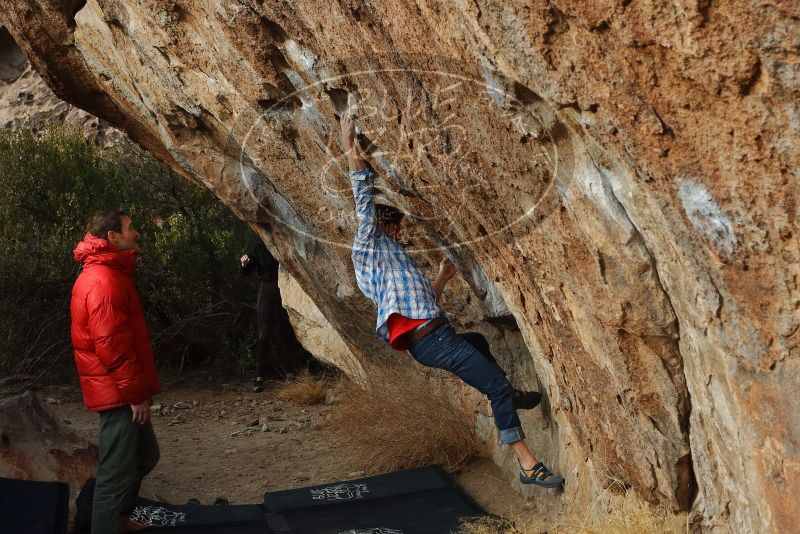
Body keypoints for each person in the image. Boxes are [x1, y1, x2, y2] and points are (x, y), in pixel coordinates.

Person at [340, 110, 564, 488]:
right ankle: (528, 465)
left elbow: (418, 305)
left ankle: (510, 394)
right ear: (384, 226)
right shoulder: (368, 247)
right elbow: (362, 195)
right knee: (493, 386)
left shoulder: (394, 262)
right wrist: (348, 146)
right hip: (433, 340)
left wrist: (441, 279)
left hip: (434, 337)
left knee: (476, 342)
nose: (400, 232)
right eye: (395, 226)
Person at [70, 210, 161, 533]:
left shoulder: (110, 272)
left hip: (122, 388)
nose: (135, 233)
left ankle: (118, 518)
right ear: (112, 237)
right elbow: (112, 346)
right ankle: (106, 525)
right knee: (116, 470)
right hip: (118, 393)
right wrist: (135, 395)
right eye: (130, 228)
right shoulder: (102, 280)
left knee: (145, 456)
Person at [239, 241, 299, 390]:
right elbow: (246, 271)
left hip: (286, 289)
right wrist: (244, 263)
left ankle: (289, 373)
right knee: (264, 332)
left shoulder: (283, 239)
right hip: (267, 289)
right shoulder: (258, 247)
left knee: (287, 330)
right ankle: (259, 377)